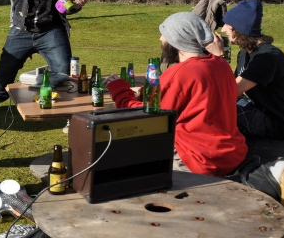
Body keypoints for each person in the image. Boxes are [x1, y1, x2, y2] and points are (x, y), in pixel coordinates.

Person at [104, 12, 247, 176]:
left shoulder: (181, 73)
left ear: (177, 40)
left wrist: (119, 89)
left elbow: (147, 116)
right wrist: (147, 92)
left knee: (123, 157)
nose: (160, 39)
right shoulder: (221, 65)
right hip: (231, 154)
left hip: (200, 159)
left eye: (165, 35)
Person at [206, 0, 284, 139]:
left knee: (211, 109)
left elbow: (230, 91)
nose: (223, 29)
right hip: (257, 110)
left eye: (228, 24)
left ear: (239, 28)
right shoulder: (244, 53)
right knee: (210, 104)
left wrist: (218, 57)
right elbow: (232, 92)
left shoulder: (267, 58)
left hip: (277, 124)